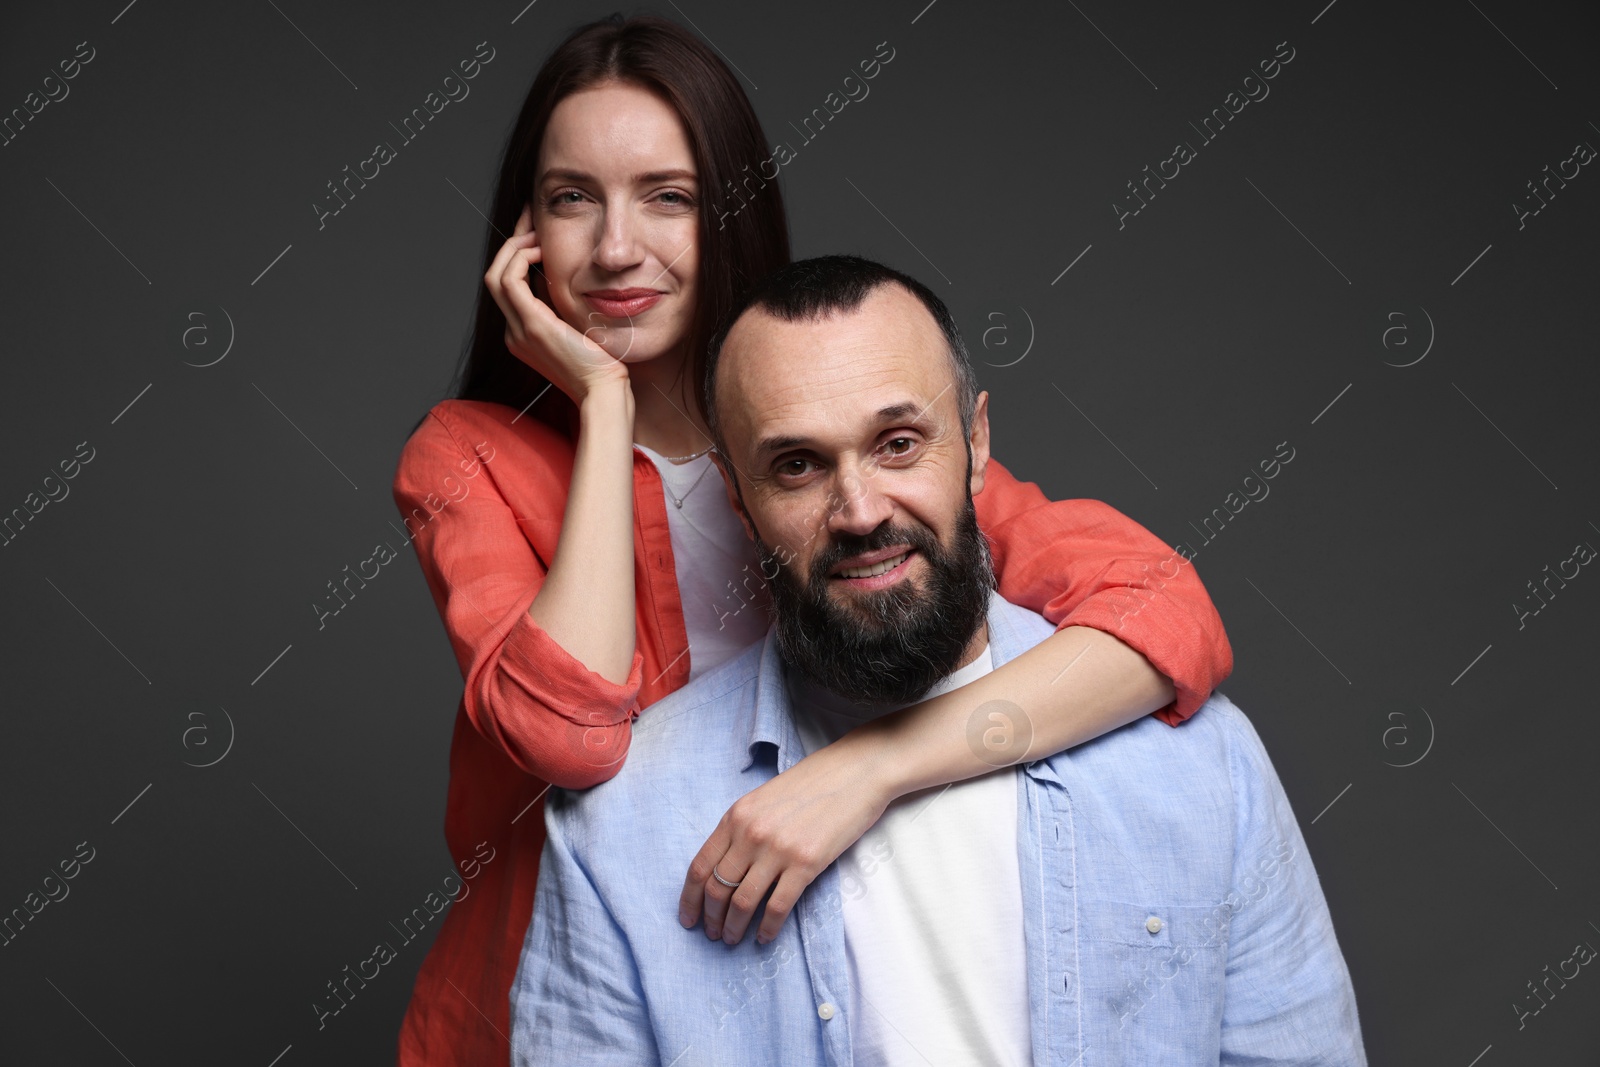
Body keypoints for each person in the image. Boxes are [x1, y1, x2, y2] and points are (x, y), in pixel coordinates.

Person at [391, 15, 1232, 1065]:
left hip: (800, 968)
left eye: (668, 196)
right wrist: (601, 402)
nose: (614, 248)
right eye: (572, 198)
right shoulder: (467, 458)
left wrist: (869, 771)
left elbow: (1165, 616)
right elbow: (571, 735)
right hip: (558, 1006)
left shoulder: (840, 448)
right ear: (524, 232)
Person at [509, 254, 1366, 1066]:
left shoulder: (1202, 767)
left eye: (898, 443)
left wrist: (876, 767)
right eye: (798, 465)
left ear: (978, 441)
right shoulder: (623, 826)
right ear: (740, 498)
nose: (859, 508)